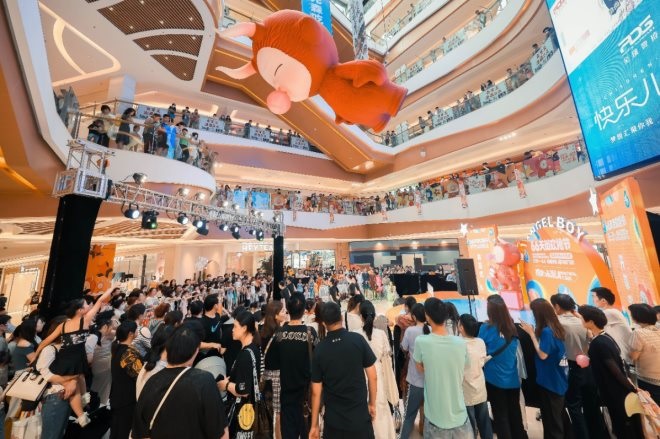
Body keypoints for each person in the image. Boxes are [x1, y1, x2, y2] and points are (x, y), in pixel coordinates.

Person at [34, 287, 114, 427]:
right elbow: (100, 300)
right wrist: (112, 287)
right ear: (80, 310)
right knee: (74, 384)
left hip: (64, 357)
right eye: (86, 304)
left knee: (77, 380)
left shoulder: (63, 325)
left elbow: (46, 341)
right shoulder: (85, 321)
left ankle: (83, 406)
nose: (89, 306)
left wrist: (36, 356)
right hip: (76, 358)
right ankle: (81, 413)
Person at [132, 325, 229, 439]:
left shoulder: (151, 380)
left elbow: (140, 432)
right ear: (195, 352)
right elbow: (222, 434)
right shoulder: (204, 380)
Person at [309, 302, 377, 439]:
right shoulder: (357, 340)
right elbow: (373, 376)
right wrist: (372, 404)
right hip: (359, 419)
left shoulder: (320, 350)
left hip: (334, 423)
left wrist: (314, 425)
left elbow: (316, 392)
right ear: (341, 317)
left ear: (323, 323)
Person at [578, 305, 642, 439]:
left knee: (622, 426)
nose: (580, 321)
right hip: (619, 389)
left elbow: (614, 369)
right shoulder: (606, 337)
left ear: (591, 321)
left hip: (613, 391)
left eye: (582, 318)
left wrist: (632, 388)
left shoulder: (598, 343)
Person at [550, 294, 606, 438]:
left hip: (570, 367)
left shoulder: (556, 323)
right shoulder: (582, 321)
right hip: (588, 367)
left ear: (557, 306)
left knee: (574, 406)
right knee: (591, 405)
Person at [413, 298, 472, 438]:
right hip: (460, 417)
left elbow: (420, 368)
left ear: (427, 316)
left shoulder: (421, 342)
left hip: (435, 419)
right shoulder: (461, 343)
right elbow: (465, 367)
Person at [478, 295, 527, 439]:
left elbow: (480, 350)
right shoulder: (512, 327)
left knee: (501, 417)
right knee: (515, 415)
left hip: (494, 380)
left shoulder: (485, 328)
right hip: (512, 380)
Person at [520, 299, 568, 439]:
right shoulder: (556, 327)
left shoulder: (547, 331)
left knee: (553, 422)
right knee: (552, 419)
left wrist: (531, 334)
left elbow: (543, 355)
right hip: (557, 379)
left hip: (550, 381)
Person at [275, 293, 319, 439]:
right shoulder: (310, 333)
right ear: (304, 310)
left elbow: (274, 362)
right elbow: (318, 361)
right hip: (306, 397)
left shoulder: (279, 334)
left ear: (288, 309)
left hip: (286, 396)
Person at [353, 300, 397, 439]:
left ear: (361, 316)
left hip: (360, 374)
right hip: (377, 373)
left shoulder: (355, 334)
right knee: (380, 408)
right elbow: (386, 358)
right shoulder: (381, 334)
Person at [217, 311, 262, 438]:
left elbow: (243, 390)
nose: (232, 330)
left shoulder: (246, 354)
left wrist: (226, 385)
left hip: (243, 412)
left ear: (244, 328)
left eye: (235, 326)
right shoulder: (252, 348)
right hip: (249, 410)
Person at [36, 316, 78, 439]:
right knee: (51, 435)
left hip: (65, 396)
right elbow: (46, 374)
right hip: (55, 397)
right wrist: (68, 382)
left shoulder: (69, 348)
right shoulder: (50, 349)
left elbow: (78, 371)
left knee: (58, 433)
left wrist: (73, 381)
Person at [458, 314, 492, 439]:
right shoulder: (480, 342)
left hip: (465, 390)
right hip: (480, 388)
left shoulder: (458, 344)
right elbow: (482, 361)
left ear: (461, 328)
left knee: (469, 426)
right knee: (484, 422)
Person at [110, 320, 143, 439]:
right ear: (130, 334)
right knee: (123, 430)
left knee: (117, 429)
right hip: (126, 399)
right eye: (136, 330)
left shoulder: (118, 347)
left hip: (118, 396)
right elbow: (139, 374)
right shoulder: (128, 353)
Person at [399, 303, 426, 439]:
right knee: (429, 416)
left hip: (414, 380)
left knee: (409, 416)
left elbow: (404, 347)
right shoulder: (431, 330)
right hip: (430, 381)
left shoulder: (410, 331)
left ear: (414, 317)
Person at [261, 300, 286, 439]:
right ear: (275, 315)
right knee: (278, 413)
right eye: (282, 311)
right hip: (278, 376)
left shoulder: (263, 331)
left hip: (266, 375)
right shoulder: (280, 333)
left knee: (269, 412)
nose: (285, 313)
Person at [628, 303, 660, 404]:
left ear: (637, 317)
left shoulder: (638, 333)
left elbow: (634, 356)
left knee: (654, 408)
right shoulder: (658, 330)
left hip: (648, 378)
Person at [591, 287, 632, 361]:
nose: (592, 300)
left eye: (593, 296)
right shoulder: (613, 312)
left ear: (603, 300)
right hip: (623, 355)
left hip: (625, 357)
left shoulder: (609, 313)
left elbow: (590, 322)